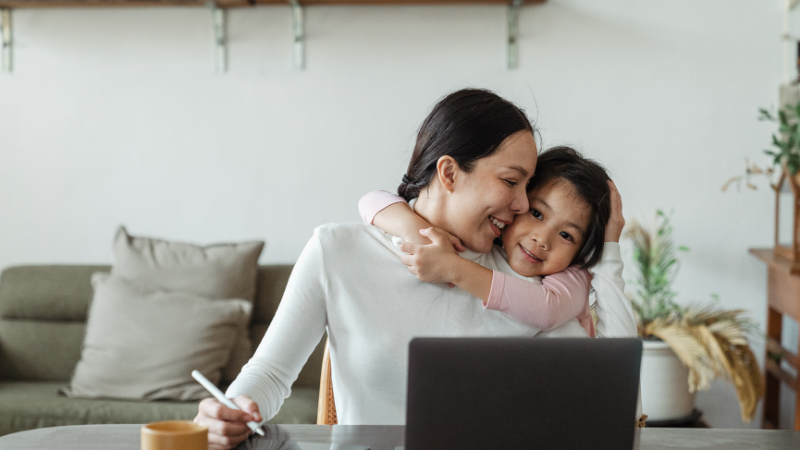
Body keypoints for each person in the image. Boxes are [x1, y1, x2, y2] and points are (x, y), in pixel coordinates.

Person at [193, 89, 637, 450]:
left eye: (527, 187)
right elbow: (270, 374)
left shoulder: (529, 283)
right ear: (448, 173)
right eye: (510, 181)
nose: (522, 205)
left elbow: (613, 402)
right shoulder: (338, 251)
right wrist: (231, 409)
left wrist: (610, 250)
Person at [358, 146, 619, 337]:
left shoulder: (574, 275)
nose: (542, 239)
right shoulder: (488, 241)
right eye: (536, 214)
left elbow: (547, 310)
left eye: (566, 235)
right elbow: (371, 199)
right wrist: (417, 230)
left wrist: (453, 268)